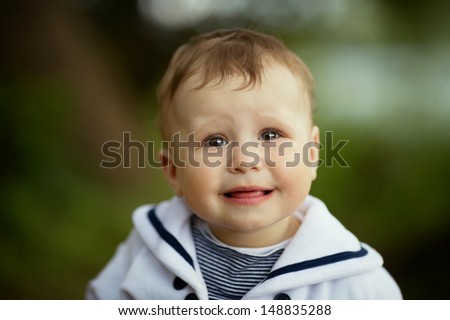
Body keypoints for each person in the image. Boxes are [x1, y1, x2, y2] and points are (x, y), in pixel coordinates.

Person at [86, 28, 402, 300]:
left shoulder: (356, 283)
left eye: (270, 134)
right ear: (173, 171)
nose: (245, 160)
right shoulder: (148, 245)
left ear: (312, 154)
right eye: (214, 141)